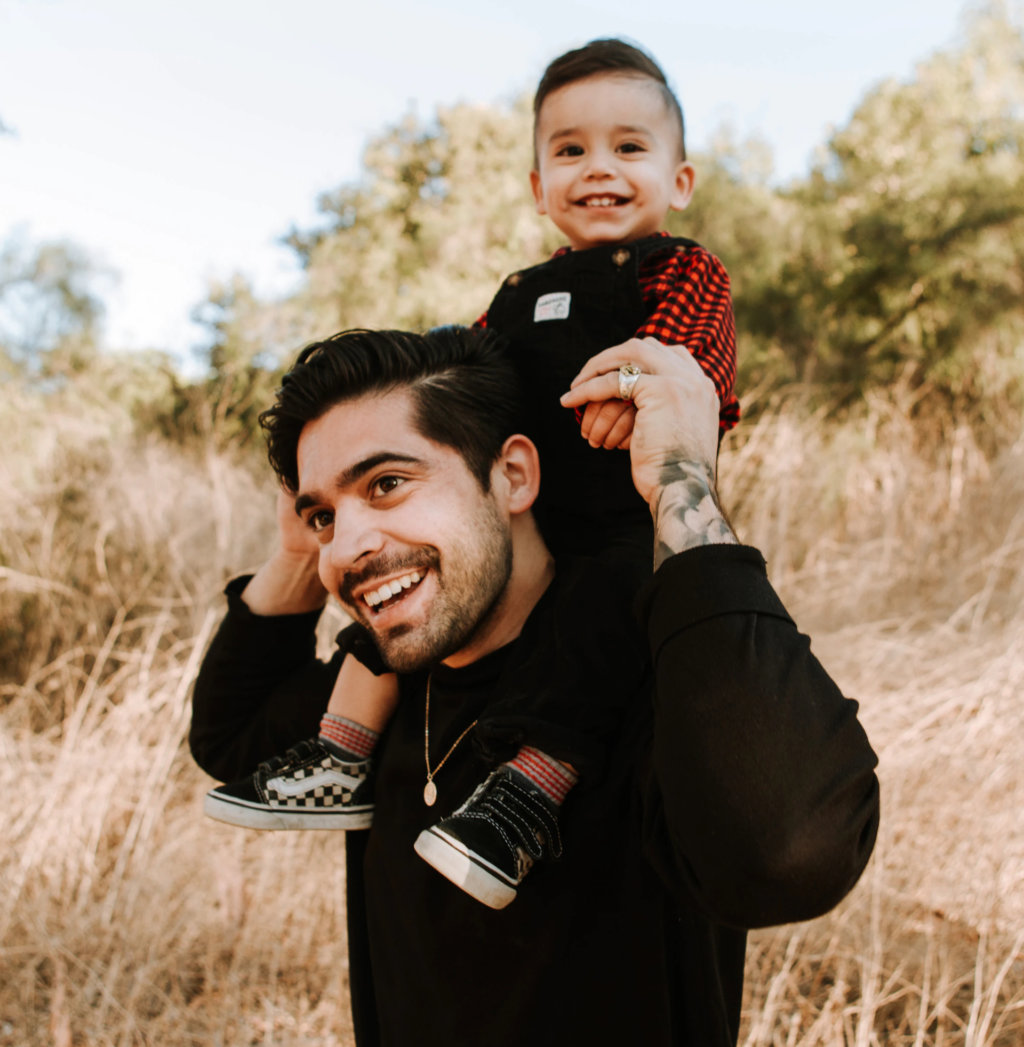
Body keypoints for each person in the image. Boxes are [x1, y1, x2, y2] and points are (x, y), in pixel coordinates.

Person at [189, 325, 879, 1047]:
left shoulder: (646, 683)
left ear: (513, 475)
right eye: (326, 514)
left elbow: (785, 856)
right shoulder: (383, 685)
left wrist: (682, 477)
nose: (350, 543)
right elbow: (228, 737)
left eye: (387, 484)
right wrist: (302, 544)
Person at [202, 38, 744, 910]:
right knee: (383, 614)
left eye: (629, 147)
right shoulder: (519, 292)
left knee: (596, 635)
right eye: (569, 150)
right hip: (512, 521)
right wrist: (342, 481)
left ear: (679, 182)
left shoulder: (679, 271)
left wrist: (642, 387)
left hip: (617, 517)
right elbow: (464, 373)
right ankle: (342, 754)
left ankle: (529, 790)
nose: (597, 168)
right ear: (537, 189)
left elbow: (689, 364)